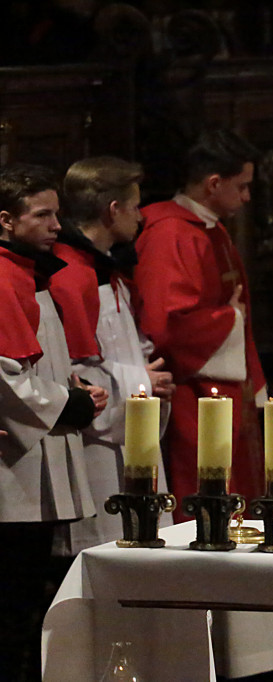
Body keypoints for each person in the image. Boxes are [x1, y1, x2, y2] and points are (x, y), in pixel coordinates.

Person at [0, 163, 108, 681]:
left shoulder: (25, 273)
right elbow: (7, 375)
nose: (55, 226)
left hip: (33, 454)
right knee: (12, 606)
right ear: (5, 220)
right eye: (42, 215)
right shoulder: (2, 277)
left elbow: (35, 362)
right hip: (11, 473)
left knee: (27, 602)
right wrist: (68, 404)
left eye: (57, 214)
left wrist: (74, 392)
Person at [134, 129, 268, 517]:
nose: (246, 197)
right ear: (214, 183)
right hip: (192, 396)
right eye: (241, 187)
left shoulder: (208, 227)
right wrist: (231, 316)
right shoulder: (171, 234)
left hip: (222, 389)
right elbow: (168, 324)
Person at [49, 156, 176, 555]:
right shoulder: (70, 275)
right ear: (113, 210)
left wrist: (145, 375)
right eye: (135, 206)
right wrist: (141, 381)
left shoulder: (109, 270)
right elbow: (71, 372)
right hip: (95, 449)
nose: (141, 217)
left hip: (129, 431)